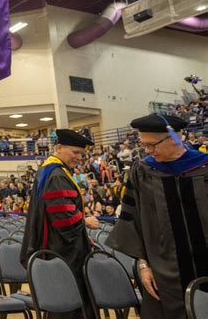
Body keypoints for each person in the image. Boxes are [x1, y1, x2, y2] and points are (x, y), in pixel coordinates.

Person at [107, 114, 208, 319]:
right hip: (165, 274)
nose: (148, 150)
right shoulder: (143, 171)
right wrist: (143, 265)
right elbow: (132, 220)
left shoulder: (203, 166)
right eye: (144, 144)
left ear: (174, 138)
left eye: (152, 145)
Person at [21, 129, 99, 319]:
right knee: (69, 304)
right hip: (64, 250)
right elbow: (63, 220)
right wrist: (84, 221)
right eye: (75, 152)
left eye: (82, 154)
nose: (79, 158)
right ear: (59, 148)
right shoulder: (57, 175)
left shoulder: (50, 170)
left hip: (56, 246)